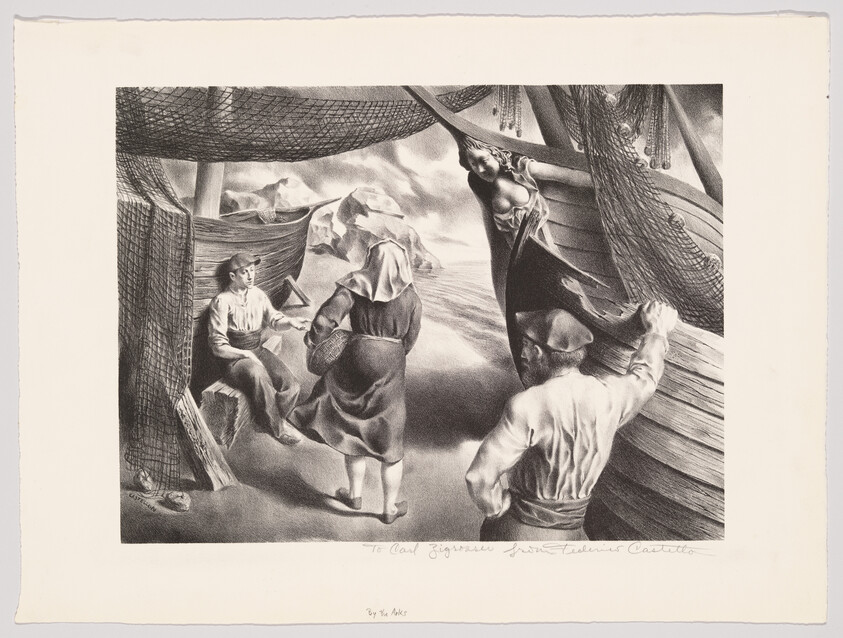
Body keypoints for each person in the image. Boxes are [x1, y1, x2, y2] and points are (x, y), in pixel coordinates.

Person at [465, 301, 677, 541]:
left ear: (539, 353)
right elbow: (644, 378)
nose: (522, 354)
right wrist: (657, 334)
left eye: (526, 346)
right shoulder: (609, 396)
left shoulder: (526, 405)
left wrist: (496, 508)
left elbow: (478, 477)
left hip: (520, 534)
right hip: (574, 536)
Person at [289, 240, 422, 524]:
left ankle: (355, 495)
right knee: (389, 433)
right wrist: (392, 353)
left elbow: (325, 319)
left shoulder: (354, 287)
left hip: (356, 355)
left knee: (353, 426)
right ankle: (388, 509)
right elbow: (410, 339)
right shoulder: (411, 298)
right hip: (392, 362)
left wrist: (315, 343)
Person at [208, 252, 309, 446]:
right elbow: (218, 346)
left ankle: (268, 418)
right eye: (244, 272)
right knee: (257, 374)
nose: (250, 276)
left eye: (252, 271)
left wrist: (291, 322)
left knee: (292, 385)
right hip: (234, 359)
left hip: (257, 349)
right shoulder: (222, 301)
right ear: (232, 276)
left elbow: (274, 319)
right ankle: (278, 429)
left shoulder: (258, 295)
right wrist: (244, 354)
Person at [457, 135, 593, 248]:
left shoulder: (522, 167)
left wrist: (599, 183)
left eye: (484, 161)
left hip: (547, 245)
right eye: (474, 165)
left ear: (496, 154)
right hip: (523, 256)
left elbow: (567, 176)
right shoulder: (486, 190)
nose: (480, 170)